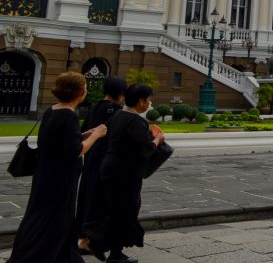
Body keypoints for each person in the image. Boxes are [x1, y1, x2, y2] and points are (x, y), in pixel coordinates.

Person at [7, 72, 107, 263]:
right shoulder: (69, 115)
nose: (86, 89)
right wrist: (96, 135)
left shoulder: (52, 110)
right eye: (85, 86)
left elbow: (57, 141)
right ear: (78, 92)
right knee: (53, 218)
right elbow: (74, 151)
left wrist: (84, 133)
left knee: (50, 216)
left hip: (46, 173)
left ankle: (66, 256)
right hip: (60, 178)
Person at [90, 83, 164, 263]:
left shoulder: (119, 115)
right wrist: (157, 139)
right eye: (148, 100)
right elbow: (145, 150)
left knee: (114, 210)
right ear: (140, 101)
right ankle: (113, 252)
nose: (149, 103)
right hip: (125, 173)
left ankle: (106, 247)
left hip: (111, 167)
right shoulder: (136, 121)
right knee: (125, 211)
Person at [78, 76, 127, 254]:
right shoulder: (116, 110)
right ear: (121, 93)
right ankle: (96, 241)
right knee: (103, 201)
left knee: (88, 197)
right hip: (107, 160)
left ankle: (84, 239)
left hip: (91, 157)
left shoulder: (95, 106)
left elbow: (83, 130)